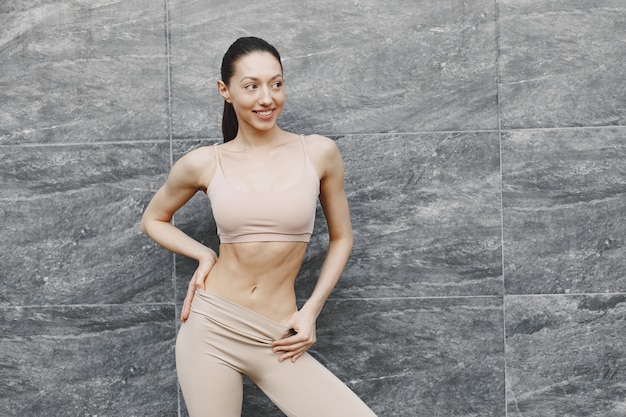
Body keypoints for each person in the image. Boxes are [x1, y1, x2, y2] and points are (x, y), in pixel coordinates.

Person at [141, 36, 378, 417]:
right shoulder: (204, 162)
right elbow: (153, 218)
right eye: (251, 86)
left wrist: (311, 310)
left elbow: (341, 238)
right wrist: (203, 253)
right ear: (226, 91)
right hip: (211, 327)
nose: (267, 98)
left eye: (276, 83)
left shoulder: (318, 152)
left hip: (278, 335)